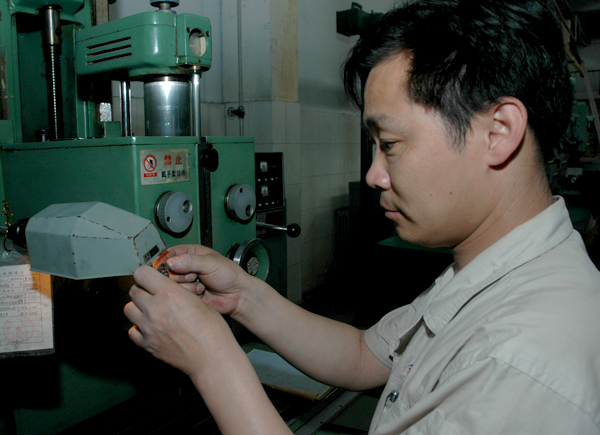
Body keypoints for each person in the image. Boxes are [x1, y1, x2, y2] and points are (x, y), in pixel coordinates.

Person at [124, 0, 600, 433]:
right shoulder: (489, 270)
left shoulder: (523, 362)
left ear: (499, 132)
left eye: (389, 144)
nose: (374, 175)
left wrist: (210, 359)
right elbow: (363, 355)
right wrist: (244, 296)